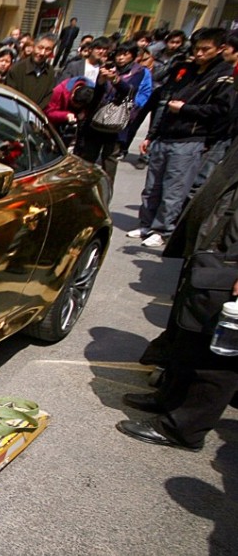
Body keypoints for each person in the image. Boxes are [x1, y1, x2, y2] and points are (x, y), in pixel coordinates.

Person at [118, 141, 238, 451]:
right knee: (189, 333)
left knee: (217, 353)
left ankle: (184, 429)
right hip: (215, 252)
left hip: (230, 261)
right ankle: (170, 399)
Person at [131, 28, 236, 248]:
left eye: (205, 49)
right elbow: (165, 101)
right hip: (165, 135)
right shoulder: (184, 70)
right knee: (152, 186)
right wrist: (152, 135)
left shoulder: (223, 74)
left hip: (190, 139)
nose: (199, 54)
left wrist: (188, 109)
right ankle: (146, 224)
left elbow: (221, 109)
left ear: (220, 48)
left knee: (175, 189)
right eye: (197, 49)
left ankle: (162, 229)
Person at [5, 33, 57, 107]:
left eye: (48, 50)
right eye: (40, 48)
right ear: (33, 47)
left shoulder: (50, 72)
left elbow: (48, 97)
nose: (42, 53)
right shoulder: (17, 69)